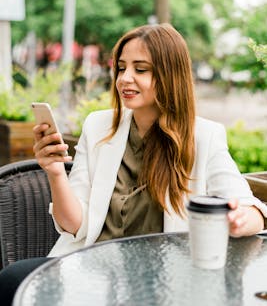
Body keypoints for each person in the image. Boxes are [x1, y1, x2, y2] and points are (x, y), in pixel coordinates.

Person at [1, 23, 267, 304]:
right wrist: (55, 173)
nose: (125, 78)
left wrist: (238, 220)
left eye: (141, 70)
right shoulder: (98, 126)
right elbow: (75, 225)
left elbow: (254, 211)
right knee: (11, 279)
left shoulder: (204, 137)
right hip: (91, 268)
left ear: (169, 76)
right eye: (121, 68)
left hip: (162, 280)